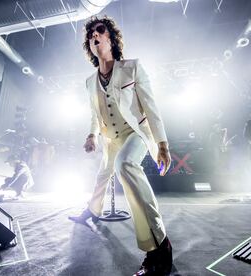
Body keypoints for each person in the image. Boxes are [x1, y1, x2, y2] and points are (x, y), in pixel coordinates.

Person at [68, 16, 173, 275]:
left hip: (136, 132)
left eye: (100, 30)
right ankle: (93, 210)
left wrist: (162, 143)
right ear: (89, 46)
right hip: (110, 137)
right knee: (103, 174)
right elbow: (95, 115)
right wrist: (91, 135)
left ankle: (159, 244)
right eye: (90, 34)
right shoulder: (88, 82)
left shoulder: (132, 67)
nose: (94, 35)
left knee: (124, 165)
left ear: (111, 38)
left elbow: (151, 106)